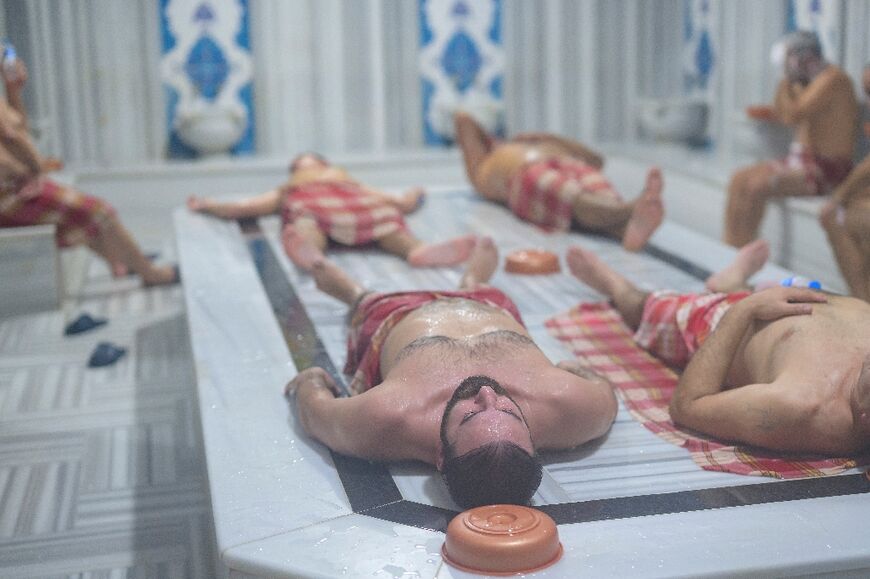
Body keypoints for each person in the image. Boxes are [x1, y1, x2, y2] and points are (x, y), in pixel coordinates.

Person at [284, 237, 617, 508]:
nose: (488, 393)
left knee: (365, 299)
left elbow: (317, 414)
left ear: (442, 455)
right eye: (510, 412)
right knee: (481, 287)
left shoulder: (389, 417)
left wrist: (312, 380)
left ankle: (349, 290)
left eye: (470, 417)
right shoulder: (574, 408)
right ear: (533, 442)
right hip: (490, 306)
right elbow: (604, 390)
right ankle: (474, 280)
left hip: (396, 314)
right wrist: (576, 369)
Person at [565, 243, 870, 456]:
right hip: (782, 298)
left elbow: (688, 406)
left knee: (652, 308)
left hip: (720, 320)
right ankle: (731, 284)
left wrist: (744, 311)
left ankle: (615, 286)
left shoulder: (801, 408)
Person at [0, 58, 178, 285]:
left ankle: (124, 262)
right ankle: (151, 274)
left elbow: (16, 127)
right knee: (99, 212)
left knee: (83, 215)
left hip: (15, 186)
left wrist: (12, 90)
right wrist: (34, 170)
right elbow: (11, 134)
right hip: (8, 195)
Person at [188, 153, 477, 271]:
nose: (309, 167)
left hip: (361, 205)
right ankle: (310, 254)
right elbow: (245, 207)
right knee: (306, 226)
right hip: (314, 207)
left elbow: (396, 202)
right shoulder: (292, 188)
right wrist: (209, 205)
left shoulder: (350, 182)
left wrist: (414, 194)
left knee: (389, 223)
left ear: (328, 166)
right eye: (302, 165)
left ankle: (418, 251)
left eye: (314, 162)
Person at [453, 111, 664, 251]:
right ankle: (629, 211)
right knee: (567, 193)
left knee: (600, 194)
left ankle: (625, 230)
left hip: (570, 163)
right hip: (525, 177)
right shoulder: (482, 167)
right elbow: (463, 119)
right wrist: (492, 140)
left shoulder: (540, 143)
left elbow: (597, 161)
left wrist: (550, 139)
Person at [724, 31, 858, 248]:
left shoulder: (833, 80)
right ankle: (729, 246)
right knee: (739, 179)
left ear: (803, 57)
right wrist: (790, 80)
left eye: (788, 61)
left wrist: (787, 78)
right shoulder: (808, 83)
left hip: (826, 169)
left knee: (757, 186)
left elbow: (792, 115)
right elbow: (781, 112)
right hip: (801, 161)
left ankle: (744, 252)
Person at [819, 64, 870, 301]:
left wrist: (840, 196)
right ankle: (861, 299)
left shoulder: (833, 81)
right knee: (835, 216)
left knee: (838, 217)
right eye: (867, 90)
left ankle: (862, 302)